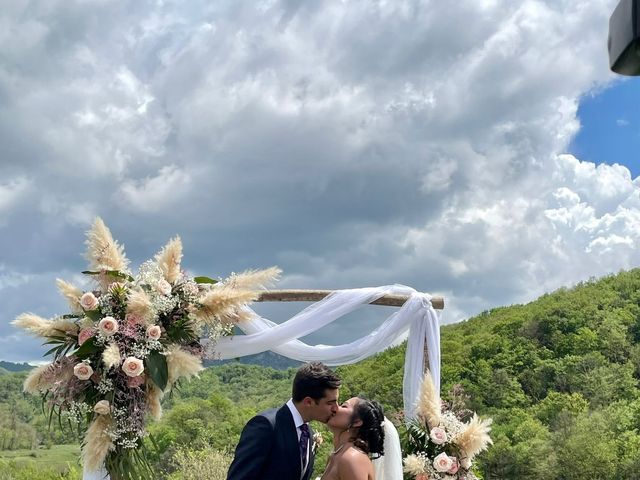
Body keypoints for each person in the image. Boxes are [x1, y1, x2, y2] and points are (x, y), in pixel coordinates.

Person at [227, 362, 341, 480]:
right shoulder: (266, 426)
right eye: (330, 403)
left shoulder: (308, 433)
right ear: (308, 402)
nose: (336, 408)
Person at [320, 397, 388, 480]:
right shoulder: (336, 455)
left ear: (357, 422)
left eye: (344, 406)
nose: (336, 407)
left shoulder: (352, 458)